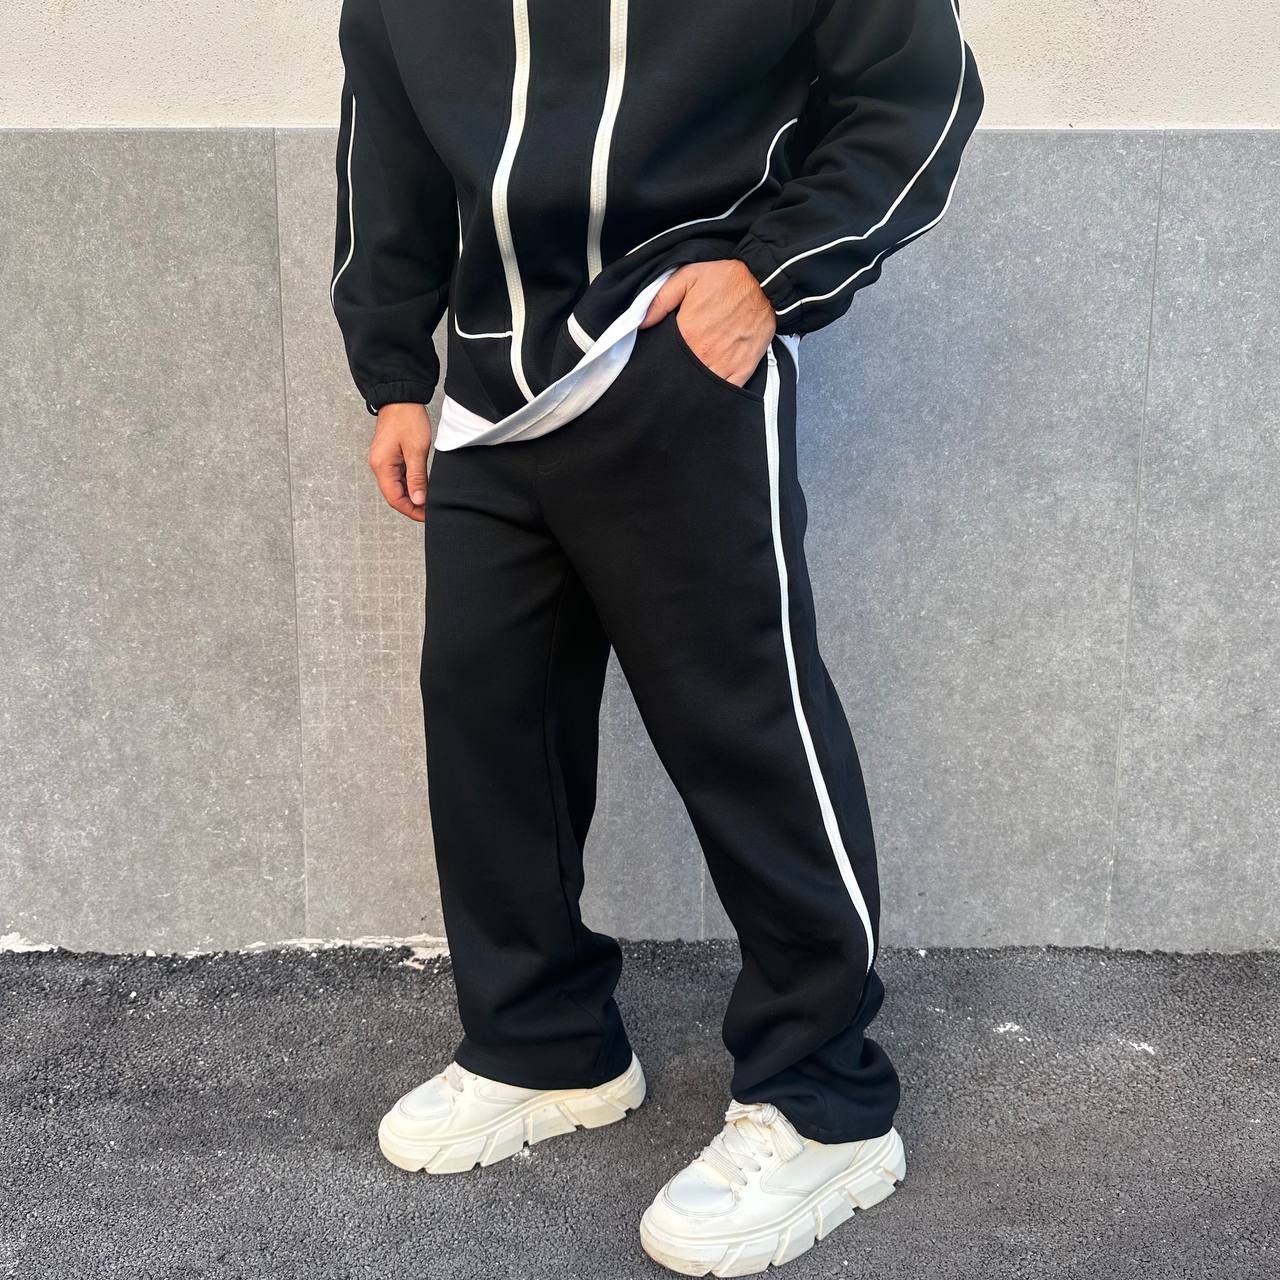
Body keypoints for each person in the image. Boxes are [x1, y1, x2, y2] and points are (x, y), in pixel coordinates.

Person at [331, 0, 981, 1272]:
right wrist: (394, 373)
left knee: (743, 727)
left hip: (673, 362)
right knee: (486, 717)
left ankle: (824, 1100)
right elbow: (385, 140)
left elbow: (916, 92)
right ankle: (543, 1041)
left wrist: (770, 271)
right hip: (486, 393)